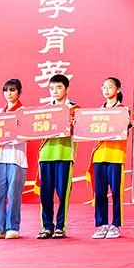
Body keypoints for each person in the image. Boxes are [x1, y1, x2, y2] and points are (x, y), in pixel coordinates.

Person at [37, 74, 77, 239]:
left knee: (63, 193)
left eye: (58, 88)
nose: (54, 91)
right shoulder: (44, 111)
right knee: (45, 194)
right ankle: (47, 227)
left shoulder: (74, 109)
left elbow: (82, 130)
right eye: (51, 88)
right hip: (46, 155)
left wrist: (73, 124)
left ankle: (60, 226)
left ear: (67, 89)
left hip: (64, 154)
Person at [0, 79, 25, 240]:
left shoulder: (24, 113)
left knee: (14, 194)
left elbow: (27, 135)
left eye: (12, 90)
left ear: (19, 92)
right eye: (6, 90)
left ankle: (13, 227)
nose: (9, 94)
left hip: (16, 158)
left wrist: (10, 137)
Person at [90, 77, 128, 240]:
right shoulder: (98, 112)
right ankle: (102, 224)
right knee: (99, 192)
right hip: (99, 155)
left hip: (116, 156)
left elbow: (125, 129)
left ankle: (116, 225)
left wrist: (130, 123)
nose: (106, 90)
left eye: (110, 87)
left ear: (118, 90)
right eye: (104, 87)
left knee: (116, 192)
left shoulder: (123, 110)